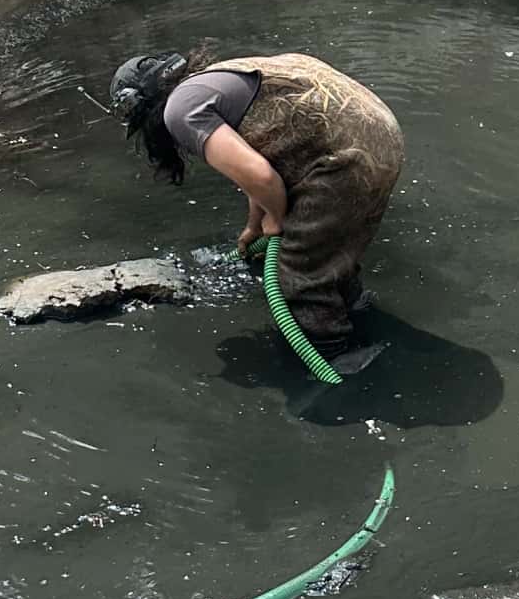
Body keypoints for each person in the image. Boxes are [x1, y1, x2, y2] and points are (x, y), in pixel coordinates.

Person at [109, 47, 404, 369]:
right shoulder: (219, 77)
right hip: (379, 136)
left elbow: (262, 177)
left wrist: (276, 220)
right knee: (325, 248)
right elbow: (263, 163)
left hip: (343, 161)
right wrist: (254, 225)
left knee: (296, 270)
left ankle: (339, 359)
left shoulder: (180, 110)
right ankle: (357, 306)